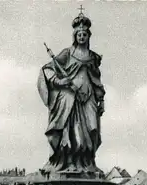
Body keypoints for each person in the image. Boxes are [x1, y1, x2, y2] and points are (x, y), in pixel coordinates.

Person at [37, 12, 106, 172]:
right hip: (70, 98)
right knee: (72, 132)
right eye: (79, 34)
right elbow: (47, 69)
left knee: (92, 130)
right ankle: (69, 162)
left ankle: (88, 163)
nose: (82, 37)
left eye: (84, 34)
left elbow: (97, 80)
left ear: (88, 36)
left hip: (88, 97)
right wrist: (60, 81)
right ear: (75, 36)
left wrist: (101, 100)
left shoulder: (93, 57)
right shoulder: (68, 53)